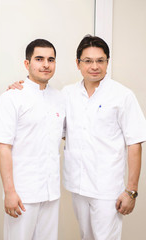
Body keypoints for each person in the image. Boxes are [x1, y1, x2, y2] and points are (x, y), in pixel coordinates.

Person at [8, 35, 146, 240]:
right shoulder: (66, 95)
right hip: (77, 186)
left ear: (107, 62)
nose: (94, 66)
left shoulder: (122, 96)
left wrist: (131, 191)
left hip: (107, 190)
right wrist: (21, 91)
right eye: (88, 61)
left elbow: (134, 143)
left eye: (100, 60)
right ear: (77, 63)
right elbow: (53, 127)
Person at [0, 39, 64, 240]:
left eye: (51, 59)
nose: (46, 64)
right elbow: (3, 147)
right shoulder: (12, 97)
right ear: (27, 63)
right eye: (39, 59)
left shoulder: (60, 98)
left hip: (51, 193)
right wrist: (9, 192)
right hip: (23, 194)